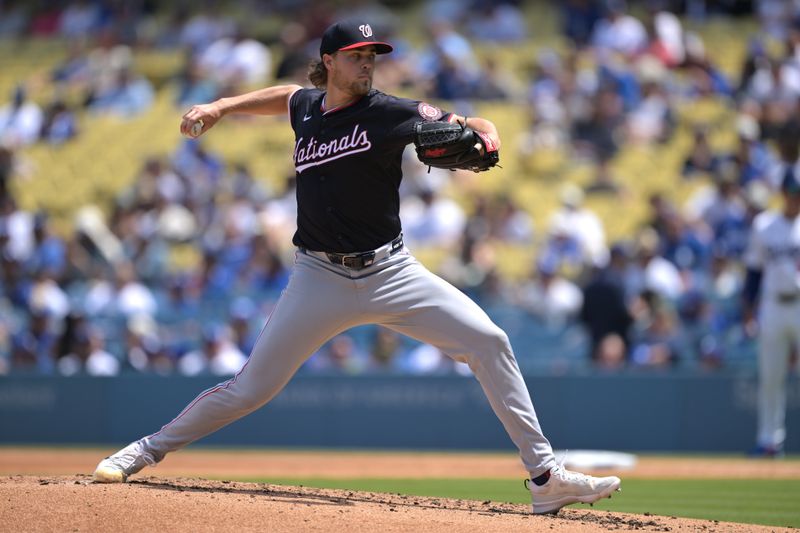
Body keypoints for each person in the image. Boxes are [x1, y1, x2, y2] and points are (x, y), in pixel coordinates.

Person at [92, 20, 620, 514]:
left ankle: (546, 478)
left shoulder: (390, 112)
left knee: (490, 341)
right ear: (329, 61)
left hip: (392, 273)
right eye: (356, 55)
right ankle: (142, 451)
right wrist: (223, 106)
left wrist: (488, 132)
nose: (367, 63)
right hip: (318, 276)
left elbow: (468, 121)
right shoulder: (307, 108)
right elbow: (286, 96)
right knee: (251, 388)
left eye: (372, 55)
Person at [742, 167, 800, 458]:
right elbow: (753, 271)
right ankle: (769, 441)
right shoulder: (765, 224)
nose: (794, 199)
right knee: (771, 377)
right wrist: (748, 309)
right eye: (790, 194)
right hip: (773, 304)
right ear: (782, 194)